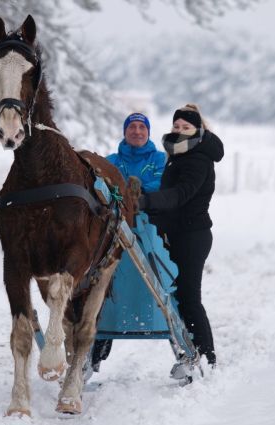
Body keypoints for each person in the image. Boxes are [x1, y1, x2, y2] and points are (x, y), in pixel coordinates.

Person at [138, 104, 224, 366]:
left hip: (192, 235)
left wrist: (144, 201)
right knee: (176, 297)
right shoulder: (178, 156)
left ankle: (206, 356)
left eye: (185, 127)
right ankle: (191, 351)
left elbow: (180, 195)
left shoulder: (198, 159)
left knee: (188, 297)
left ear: (197, 130)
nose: (179, 131)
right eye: (176, 126)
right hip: (176, 233)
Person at [90, 112, 166, 373]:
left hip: (149, 231)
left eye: (141, 127)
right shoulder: (111, 161)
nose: (136, 131)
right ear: (124, 132)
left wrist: (139, 189)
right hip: (113, 235)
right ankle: (95, 352)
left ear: (148, 132)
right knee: (106, 290)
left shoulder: (159, 159)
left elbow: (162, 184)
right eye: (131, 127)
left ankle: (174, 335)